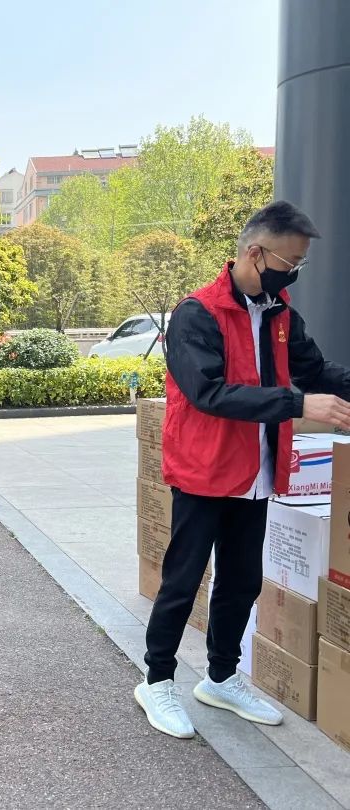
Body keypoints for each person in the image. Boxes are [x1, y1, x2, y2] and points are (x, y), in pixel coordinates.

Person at [136, 201, 350, 739]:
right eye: (290, 262)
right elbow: (208, 393)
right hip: (205, 472)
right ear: (255, 254)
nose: (293, 272)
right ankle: (157, 681)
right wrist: (297, 404)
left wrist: (325, 391)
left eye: (299, 263)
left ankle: (221, 677)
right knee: (184, 580)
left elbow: (315, 369)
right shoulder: (197, 314)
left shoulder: (278, 312)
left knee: (241, 581)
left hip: (256, 475)